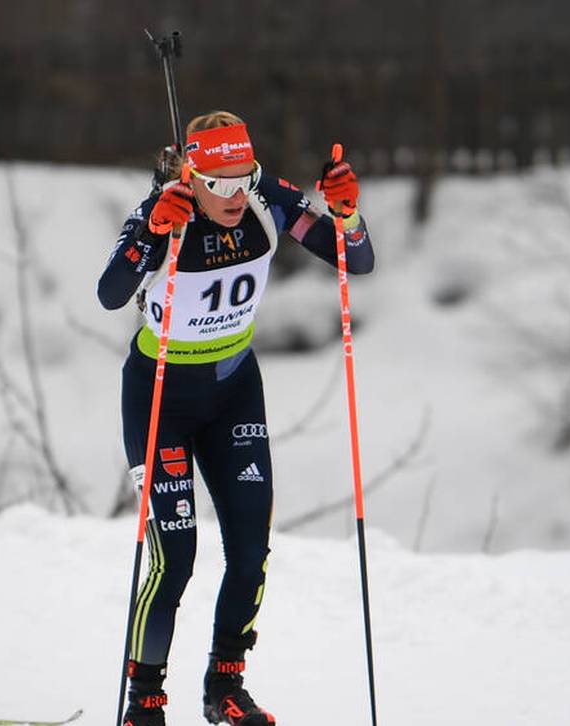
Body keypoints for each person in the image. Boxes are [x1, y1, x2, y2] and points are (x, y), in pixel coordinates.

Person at [97, 111, 375, 726]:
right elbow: (111, 292)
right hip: (159, 397)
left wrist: (347, 216)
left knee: (250, 551)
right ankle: (143, 698)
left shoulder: (267, 200)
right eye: (216, 183)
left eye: (241, 177)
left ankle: (225, 685)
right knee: (175, 558)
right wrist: (150, 234)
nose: (232, 195)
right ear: (191, 173)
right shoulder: (161, 209)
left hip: (233, 394)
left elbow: (356, 261)